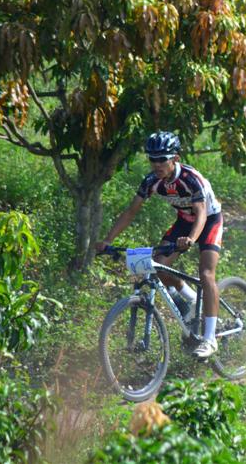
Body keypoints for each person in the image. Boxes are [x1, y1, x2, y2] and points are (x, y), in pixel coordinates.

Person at [96, 131, 223, 358]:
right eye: (152, 159)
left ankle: (210, 339)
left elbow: (201, 213)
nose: (156, 164)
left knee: (206, 274)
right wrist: (108, 240)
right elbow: (131, 212)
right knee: (157, 266)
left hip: (209, 220)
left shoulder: (190, 179)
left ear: (175, 158)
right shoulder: (151, 181)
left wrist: (191, 239)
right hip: (184, 221)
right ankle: (193, 301)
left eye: (162, 159)